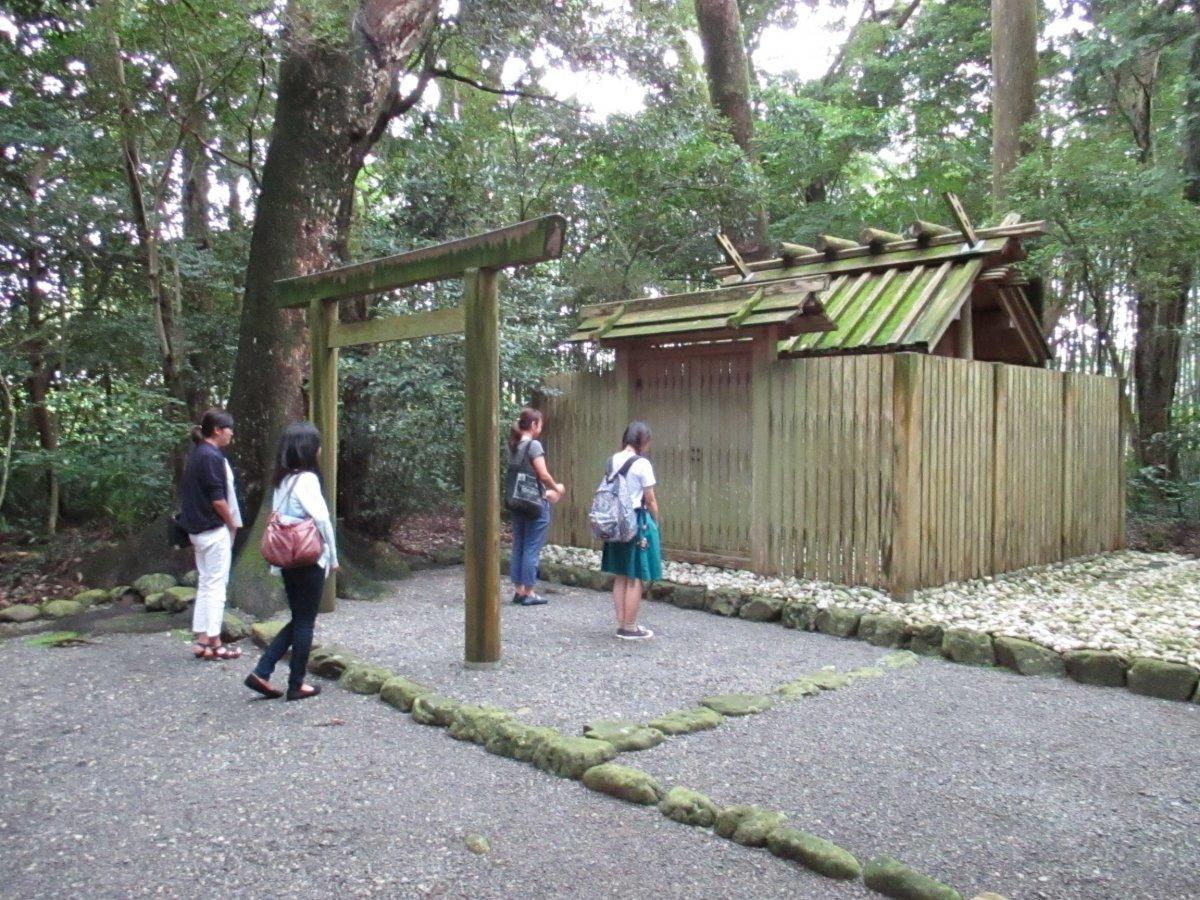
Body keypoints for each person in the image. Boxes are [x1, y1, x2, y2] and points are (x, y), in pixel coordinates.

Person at [244, 422, 339, 701]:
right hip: (308, 557)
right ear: (308, 449)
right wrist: (332, 556)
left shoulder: (282, 481)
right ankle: (296, 684)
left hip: (287, 559)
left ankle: (262, 670)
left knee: (299, 618)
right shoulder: (307, 479)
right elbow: (321, 519)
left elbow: (278, 521)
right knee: (305, 622)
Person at [178, 409, 243, 660]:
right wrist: (232, 522)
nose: (231, 433)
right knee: (217, 585)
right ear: (217, 430)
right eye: (229, 429)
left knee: (206, 583)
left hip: (196, 529)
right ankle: (215, 642)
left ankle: (203, 639)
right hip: (213, 529)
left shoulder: (197, 454)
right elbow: (218, 499)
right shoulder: (211, 456)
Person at [599, 421, 661, 640]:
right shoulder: (642, 464)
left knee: (621, 575)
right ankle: (630, 626)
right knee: (634, 576)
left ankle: (622, 624)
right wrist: (657, 518)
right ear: (643, 441)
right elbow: (649, 498)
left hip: (615, 521)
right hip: (635, 520)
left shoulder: (612, 459)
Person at [508, 407, 564, 606]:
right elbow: (542, 474)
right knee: (532, 547)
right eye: (540, 425)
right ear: (533, 425)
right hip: (534, 505)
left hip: (517, 503)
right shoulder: (533, 446)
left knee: (519, 546)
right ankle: (529, 591)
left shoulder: (514, 446)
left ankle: (518, 590)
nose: (540, 428)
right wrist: (556, 488)